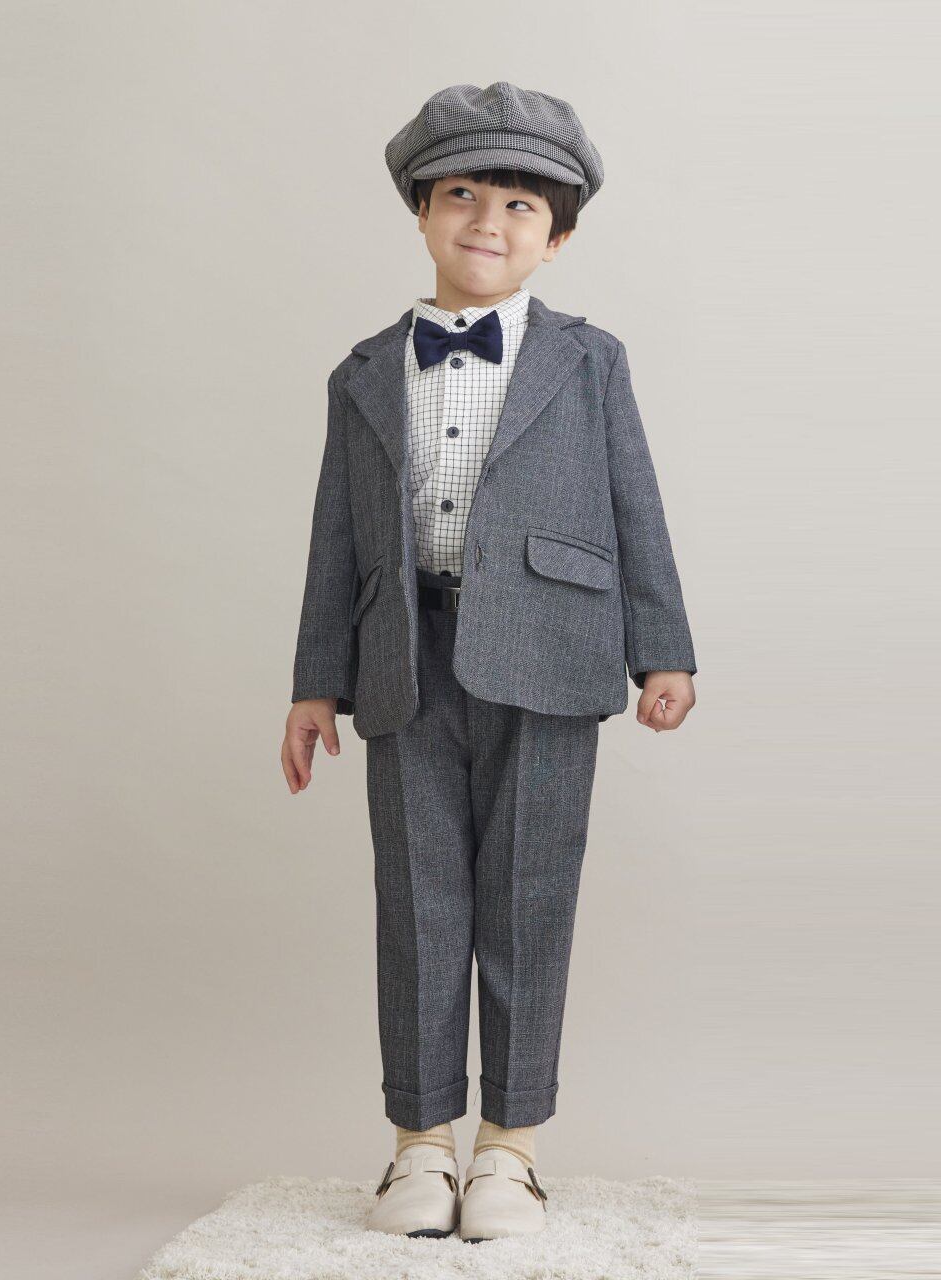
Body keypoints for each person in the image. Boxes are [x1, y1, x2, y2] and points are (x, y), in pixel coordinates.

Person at [280, 81, 699, 1243]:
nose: (486, 220)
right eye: (461, 194)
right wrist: (314, 680)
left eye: (519, 205)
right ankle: (418, 1143)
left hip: (553, 653)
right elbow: (334, 536)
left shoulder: (588, 361)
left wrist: (660, 648)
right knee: (416, 906)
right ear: (421, 212)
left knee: (528, 899)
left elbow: (634, 503)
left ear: (554, 238)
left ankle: (510, 1150)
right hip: (402, 657)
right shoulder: (362, 370)